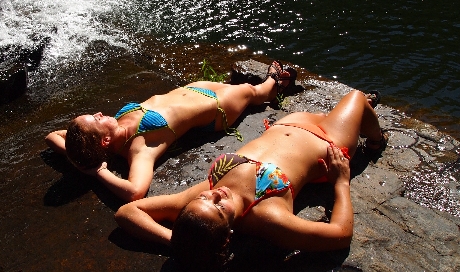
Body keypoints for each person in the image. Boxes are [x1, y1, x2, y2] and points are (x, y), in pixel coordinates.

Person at [114, 90, 388, 270]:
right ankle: (376, 141)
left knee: (349, 106)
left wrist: (174, 241)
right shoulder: (268, 218)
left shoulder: (206, 197)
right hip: (327, 139)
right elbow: (340, 236)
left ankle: (360, 116)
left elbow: (127, 212)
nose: (215, 194)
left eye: (203, 198)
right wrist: (341, 183)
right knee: (356, 98)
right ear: (227, 235)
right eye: (220, 208)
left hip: (288, 124)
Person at [45, 60, 296, 202]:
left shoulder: (105, 134)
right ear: (105, 141)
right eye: (96, 119)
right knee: (255, 92)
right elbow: (135, 191)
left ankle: (269, 84)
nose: (99, 113)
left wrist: (80, 162)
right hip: (217, 109)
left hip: (194, 89)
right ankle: (276, 82)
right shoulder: (139, 148)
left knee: (237, 87)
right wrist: (98, 171)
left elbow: (52, 136)